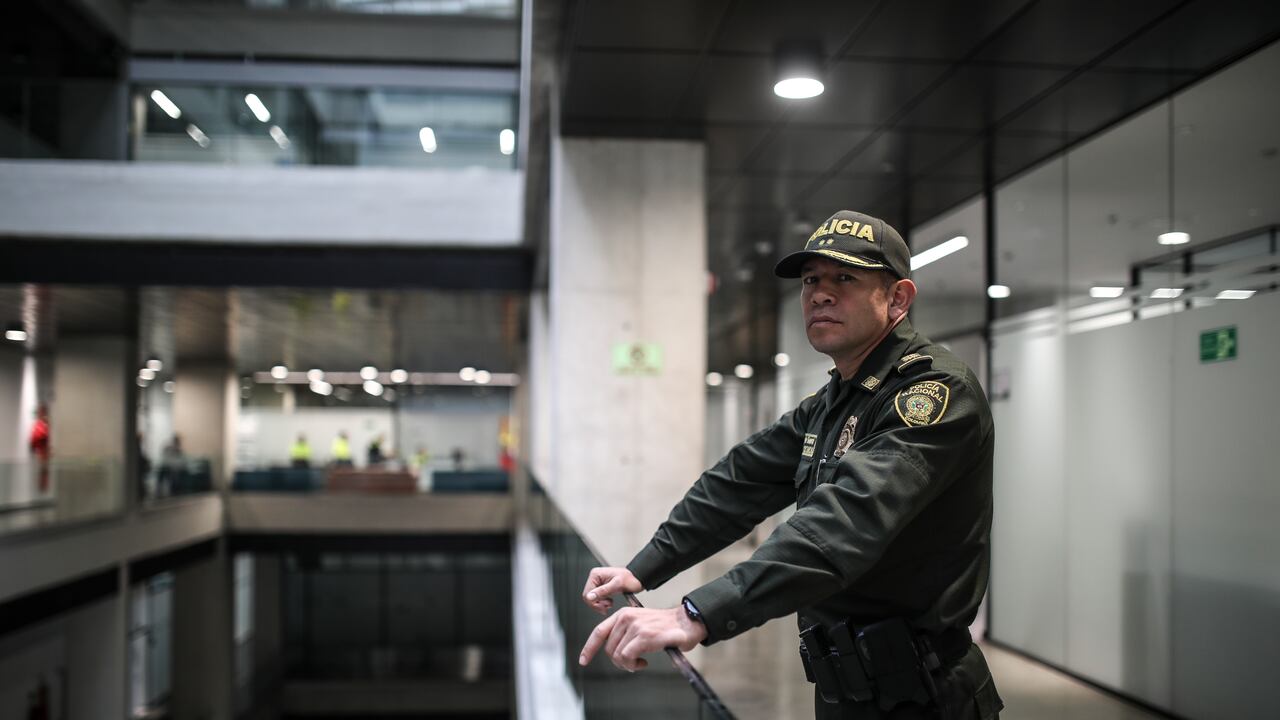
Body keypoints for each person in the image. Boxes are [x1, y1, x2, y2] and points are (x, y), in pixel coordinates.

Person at [578, 210, 1001, 719]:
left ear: (897, 299)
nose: (820, 293)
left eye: (845, 278)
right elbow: (737, 483)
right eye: (810, 281)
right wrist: (641, 570)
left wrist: (697, 614)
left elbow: (842, 525)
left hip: (925, 698)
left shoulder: (932, 395)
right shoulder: (835, 400)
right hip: (846, 691)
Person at [28, 404, 50, 493]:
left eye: (40, 411)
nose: (38, 413)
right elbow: (34, 437)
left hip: (43, 452)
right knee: (40, 471)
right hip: (38, 452)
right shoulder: (39, 423)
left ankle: (43, 487)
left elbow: (41, 436)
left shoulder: (44, 423)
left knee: (43, 470)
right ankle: (40, 487)